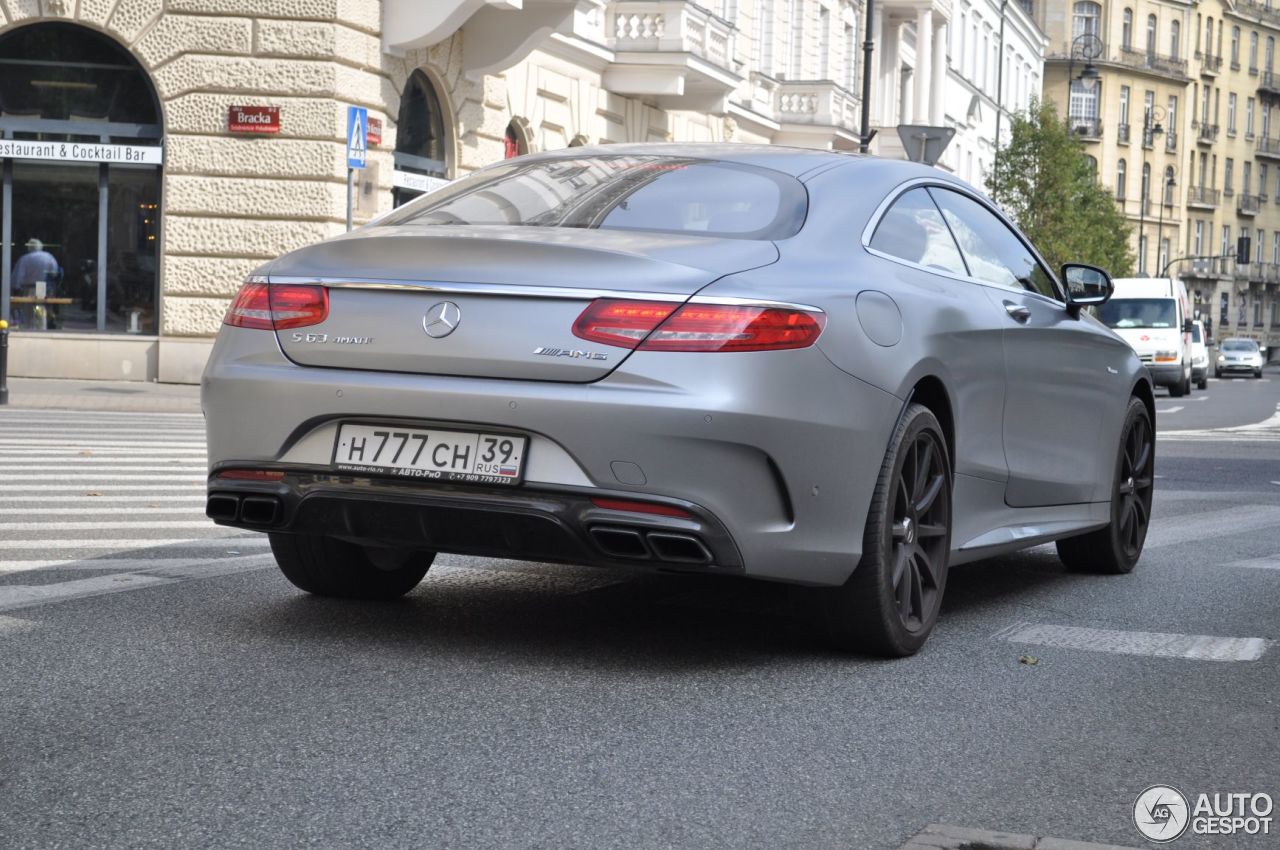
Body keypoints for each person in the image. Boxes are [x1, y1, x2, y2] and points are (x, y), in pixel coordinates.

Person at [10, 238, 61, 328]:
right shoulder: (48, 257)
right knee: (39, 308)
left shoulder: (25, 258)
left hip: (29, 287)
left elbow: (18, 275)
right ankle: (41, 327)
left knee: (27, 310)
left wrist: (16, 288)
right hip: (41, 286)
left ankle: (27, 328)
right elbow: (54, 272)